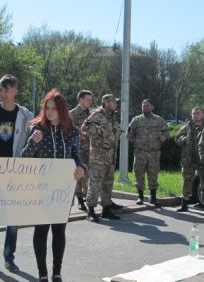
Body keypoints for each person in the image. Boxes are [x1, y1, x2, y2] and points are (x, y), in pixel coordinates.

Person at [21, 89, 85, 282]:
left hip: (63, 190)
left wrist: (80, 167)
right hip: (41, 189)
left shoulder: (72, 132)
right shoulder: (37, 129)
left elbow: (77, 156)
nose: (49, 112)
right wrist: (33, 142)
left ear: (62, 110)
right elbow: (24, 159)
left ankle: (57, 273)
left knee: (59, 231)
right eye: (47, 108)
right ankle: (42, 274)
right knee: (41, 230)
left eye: (53, 108)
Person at [0, 74, 34, 274]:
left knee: (13, 219)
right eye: (1, 90)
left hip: (16, 174)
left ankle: (9, 259)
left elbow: (33, 141)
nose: (3, 94)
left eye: (7, 90)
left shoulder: (26, 115)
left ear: (15, 91)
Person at [81, 94, 121, 222]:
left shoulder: (112, 116)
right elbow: (85, 127)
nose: (116, 104)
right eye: (114, 102)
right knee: (95, 184)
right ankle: (91, 211)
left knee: (108, 184)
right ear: (107, 102)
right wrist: (99, 131)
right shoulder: (97, 114)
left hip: (110, 157)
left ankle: (106, 210)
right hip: (98, 157)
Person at [127, 99, 169, 206]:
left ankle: (153, 198)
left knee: (153, 175)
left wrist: (164, 137)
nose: (145, 108)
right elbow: (129, 134)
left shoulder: (159, 120)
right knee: (139, 174)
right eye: (143, 106)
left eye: (147, 106)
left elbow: (166, 131)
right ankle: (140, 197)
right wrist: (136, 142)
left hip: (154, 153)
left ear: (152, 107)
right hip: (140, 152)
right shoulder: (136, 120)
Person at [174, 107, 204, 212]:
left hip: (202, 160)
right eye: (194, 113)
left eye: (198, 113)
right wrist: (183, 139)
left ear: (202, 114)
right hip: (188, 159)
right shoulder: (186, 127)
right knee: (186, 181)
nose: (195, 115)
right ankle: (184, 204)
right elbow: (177, 138)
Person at [69, 90, 93, 211]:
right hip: (79, 149)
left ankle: (88, 198)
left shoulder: (93, 113)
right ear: (80, 100)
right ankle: (80, 199)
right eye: (87, 99)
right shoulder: (72, 114)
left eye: (91, 99)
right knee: (80, 174)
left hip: (92, 149)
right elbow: (67, 130)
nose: (90, 101)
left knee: (91, 175)